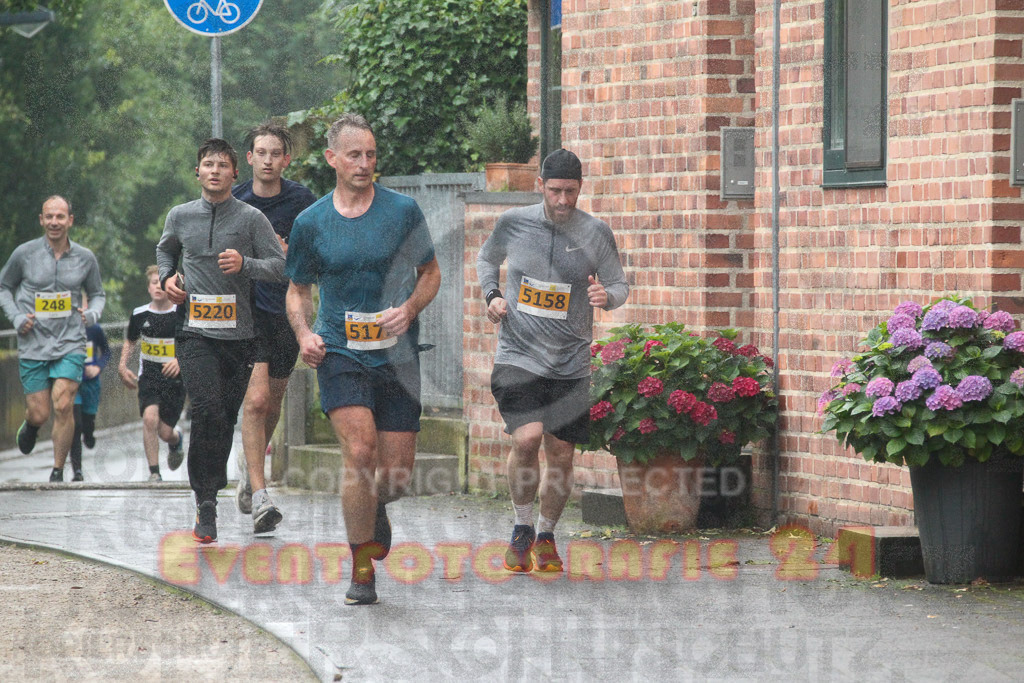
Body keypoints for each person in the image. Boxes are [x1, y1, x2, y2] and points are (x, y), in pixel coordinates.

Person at [286, 114, 440, 605]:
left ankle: (375, 508)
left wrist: (409, 309)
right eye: (355, 155)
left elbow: (431, 272)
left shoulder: (402, 212)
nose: (365, 163)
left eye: (371, 154)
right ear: (332, 158)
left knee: (394, 478)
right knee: (359, 451)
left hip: (397, 355)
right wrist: (305, 334)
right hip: (339, 350)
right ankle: (360, 566)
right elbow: (297, 290)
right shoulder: (311, 223)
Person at [476, 148, 629, 573]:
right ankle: (521, 526)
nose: (563, 200)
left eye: (571, 192)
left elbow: (619, 285)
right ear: (540, 185)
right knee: (526, 440)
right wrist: (492, 295)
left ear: (580, 189)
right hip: (519, 354)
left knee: (561, 455)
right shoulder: (513, 222)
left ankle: (545, 535)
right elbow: (487, 258)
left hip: (570, 362)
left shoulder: (596, 232)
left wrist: (607, 297)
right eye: (556, 190)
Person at [157, 138, 285, 543]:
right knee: (206, 409)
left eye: (222, 165)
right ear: (197, 172)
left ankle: (213, 488)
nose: (214, 171)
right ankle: (206, 501)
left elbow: (280, 266)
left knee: (225, 418)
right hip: (194, 332)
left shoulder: (251, 219)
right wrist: (168, 278)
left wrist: (245, 264)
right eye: (208, 165)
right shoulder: (180, 215)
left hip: (239, 337)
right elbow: (166, 251)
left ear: (234, 173)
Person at [232, 122, 316, 533]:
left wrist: (290, 254)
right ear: (249, 158)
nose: (267, 160)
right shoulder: (234, 201)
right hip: (246, 314)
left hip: (286, 310)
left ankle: (248, 470)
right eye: (260, 153)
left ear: (286, 159)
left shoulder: (303, 201)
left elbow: (315, 254)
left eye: (275, 153)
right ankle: (261, 494)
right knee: (256, 400)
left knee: (274, 400)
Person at [0, 195, 105, 482]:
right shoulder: (24, 254)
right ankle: (32, 425)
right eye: (49, 216)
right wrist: (16, 317)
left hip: (70, 341)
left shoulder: (85, 258)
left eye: (60, 216)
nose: (54, 222)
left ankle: (58, 471)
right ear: (41, 220)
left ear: (70, 220)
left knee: (64, 403)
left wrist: (92, 314)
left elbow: (97, 294)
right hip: (33, 342)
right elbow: (4, 287)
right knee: (40, 412)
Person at [118, 265, 186, 483]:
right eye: (153, 283)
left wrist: (179, 360)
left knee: (165, 432)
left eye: (161, 283)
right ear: (148, 288)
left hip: (175, 380)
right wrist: (122, 366)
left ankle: (176, 439)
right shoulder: (140, 315)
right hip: (149, 377)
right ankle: (154, 472)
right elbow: (130, 341)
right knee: (149, 419)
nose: (157, 287)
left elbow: (192, 342)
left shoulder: (181, 313)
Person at [69, 309, 109, 481]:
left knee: (87, 423)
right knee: (75, 425)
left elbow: (106, 352)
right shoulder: (65, 329)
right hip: (72, 383)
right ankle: (77, 470)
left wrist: (97, 367)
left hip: (91, 384)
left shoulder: (94, 329)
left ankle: (90, 433)